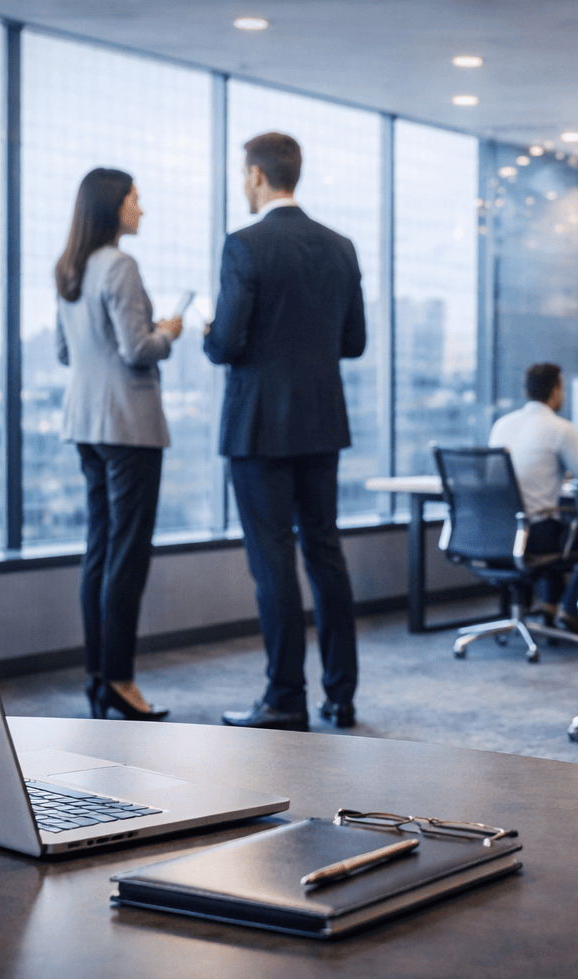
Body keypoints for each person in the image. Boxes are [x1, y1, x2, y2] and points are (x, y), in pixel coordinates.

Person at [207, 131, 366, 733]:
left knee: (272, 562)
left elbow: (225, 344)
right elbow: (354, 342)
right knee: (325, 555)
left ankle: (284, 698)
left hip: (257, 429)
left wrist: (206, 332)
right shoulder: (340, 247)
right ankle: (341, 696)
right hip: (322, 423)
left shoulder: (244, 245)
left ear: (255, 176)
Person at [55, 168, 182, 722]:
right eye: (135, 198)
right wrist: (168, 333)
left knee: (100, 551)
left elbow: (66, 352)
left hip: (85, 422)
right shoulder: (121, 265)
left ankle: (98, 677)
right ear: (113, 205)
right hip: (128, 426)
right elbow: (138, 349)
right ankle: (121, 682)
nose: (142, 208)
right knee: (126, 556)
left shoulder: (71, 268)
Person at [487, 363, 578, 636]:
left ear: (526, 391)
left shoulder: (502, 425)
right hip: (532, 534)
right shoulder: (561, 429)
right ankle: (570, 609)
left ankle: (549, 604)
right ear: (557, 392)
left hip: (496, 531)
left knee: (560, 524)